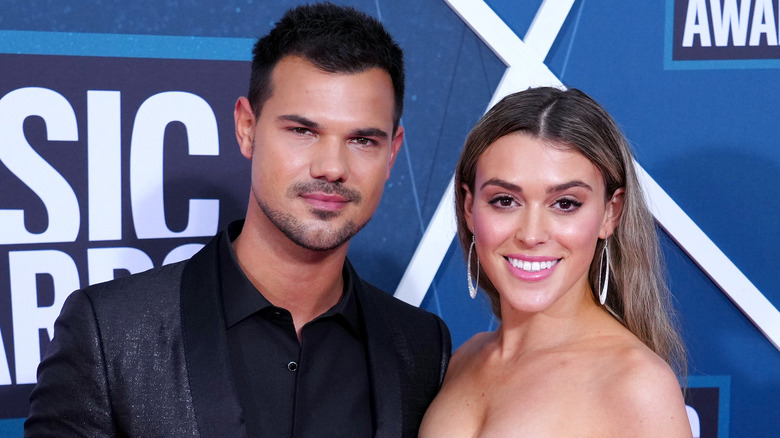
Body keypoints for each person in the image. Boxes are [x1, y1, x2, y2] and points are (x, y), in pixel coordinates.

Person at [25, 3, 451, 437]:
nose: (331, 167)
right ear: (247, 128)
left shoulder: (420, 346)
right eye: (303, 131)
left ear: (392, 152)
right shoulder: (109, 334)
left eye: (362, 140)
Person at [419, 87, 691, 437]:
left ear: (611, 212)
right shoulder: (463, 359)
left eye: (565, 204)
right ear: (470, 208)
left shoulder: (636, 383)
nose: (531, 235)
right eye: (504, 200)